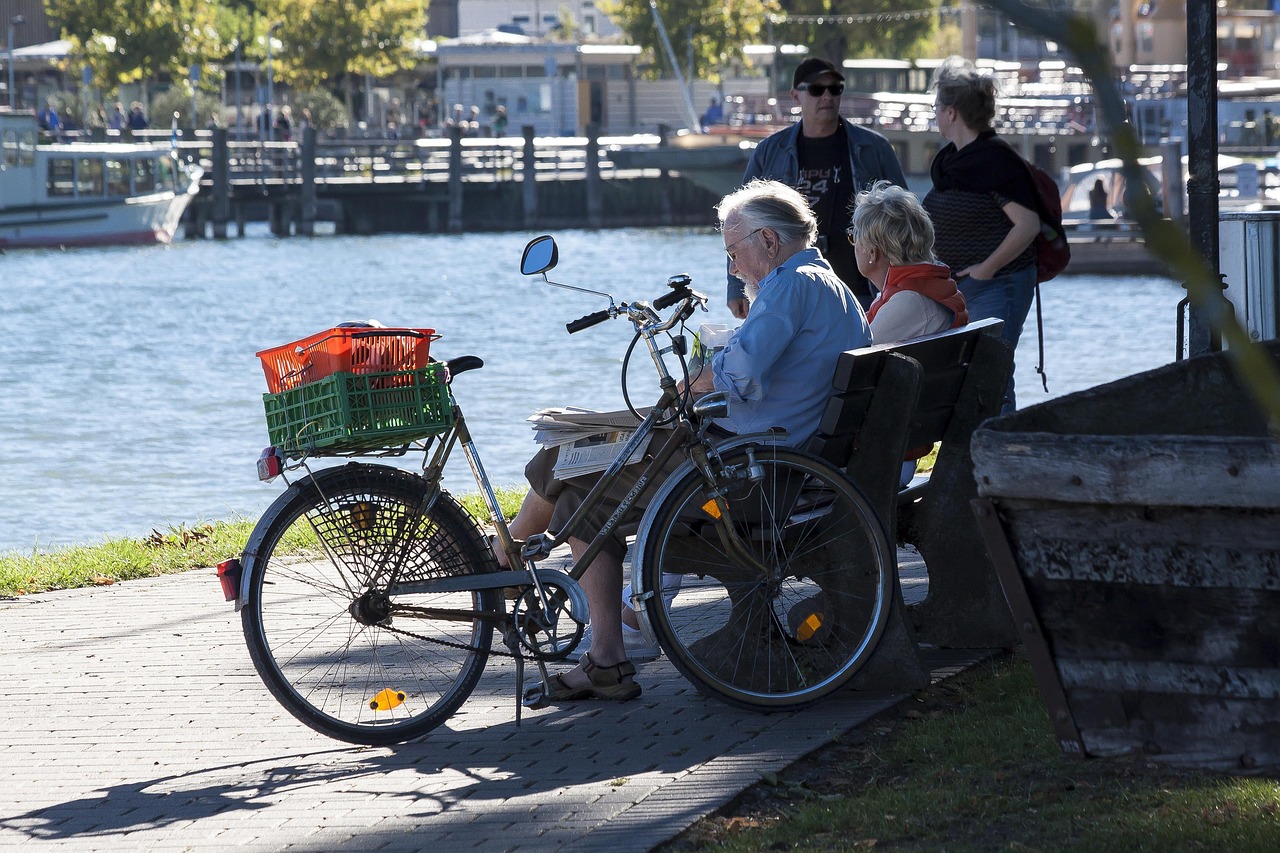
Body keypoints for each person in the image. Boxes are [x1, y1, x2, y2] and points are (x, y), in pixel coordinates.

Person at [499, 179, 871, 701]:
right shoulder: (826, 283)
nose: (733, 266)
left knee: (571, 470)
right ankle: (601, 654)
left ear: (767, 240)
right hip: (787, 461)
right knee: (580, 489)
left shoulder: (792, 285)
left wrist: (694, 378)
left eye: (733, 251)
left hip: (750, 475)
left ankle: (507, 567)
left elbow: (738, 373)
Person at [729, 57, 908, 319]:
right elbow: (739, 221)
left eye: (835, 89)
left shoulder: (873, 148)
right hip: (793, 291)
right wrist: (736, 286)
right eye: (816, 89)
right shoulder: (770, 151)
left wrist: (904, 282)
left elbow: (904, 217)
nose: (827, 96)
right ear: (795, 96)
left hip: (865, 290)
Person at [922, 56, 1039, 411]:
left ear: (952, 112)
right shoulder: (953, 160)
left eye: (937, 107)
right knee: (973, 375)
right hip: (962, 286)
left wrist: (986, 268)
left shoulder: (994, 161)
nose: (935, 114)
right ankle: (979, 453)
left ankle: (1002, 454)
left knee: (993, 373)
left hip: (998, 284)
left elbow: (1027, 225)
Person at [848, 180, 967, 344]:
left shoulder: (908, 302)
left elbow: (853, 355)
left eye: (854, 238)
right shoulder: (921, 288)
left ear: (872, 252)